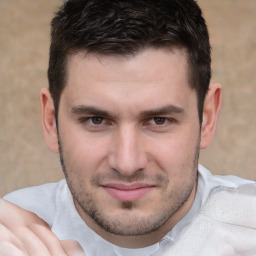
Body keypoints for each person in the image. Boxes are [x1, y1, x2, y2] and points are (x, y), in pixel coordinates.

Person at [1, 0, 256, 255]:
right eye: (96, 120)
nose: (127, 163)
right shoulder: (10, 234)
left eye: (159, 120)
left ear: (207, 117)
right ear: (51, 121)